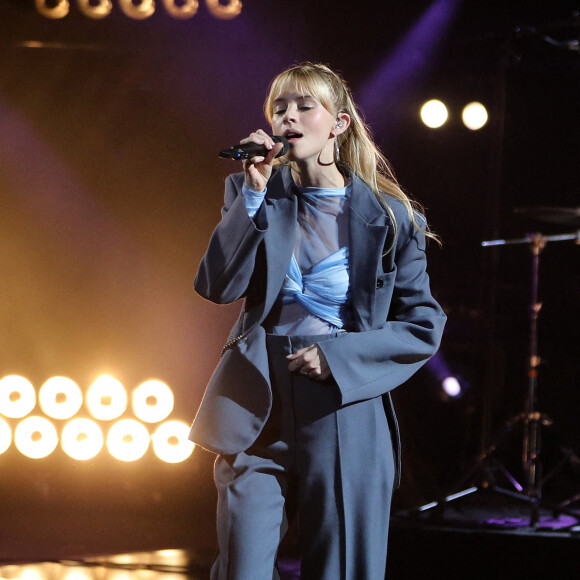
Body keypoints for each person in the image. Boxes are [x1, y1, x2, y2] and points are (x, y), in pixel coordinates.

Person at [190, 62, 447, 580]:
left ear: (339, 124)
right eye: (279, 107)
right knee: (242, 565)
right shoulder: (253, 195)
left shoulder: (390, 216)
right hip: (259, 398)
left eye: (305, 106)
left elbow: (422, 323)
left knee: (341, 565)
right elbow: (217, 286)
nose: (288, 117)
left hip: (341, 403)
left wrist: (337, 357)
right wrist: (254, 193)